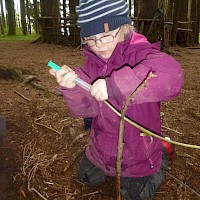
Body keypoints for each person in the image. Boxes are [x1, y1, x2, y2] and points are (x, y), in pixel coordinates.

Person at [49, 0, 183, 199]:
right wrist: (73, 87)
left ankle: (161, 153)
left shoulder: (142, 55)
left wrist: (116, 85)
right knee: (86, 178)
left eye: (105, 35)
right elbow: (86, 110)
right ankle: (103, 163)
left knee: (135, 195)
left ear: (125, 27)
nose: (99, 45)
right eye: (91, 39)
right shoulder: (92, 63)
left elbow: (172, 76)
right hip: (101, 149)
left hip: (139, 154)